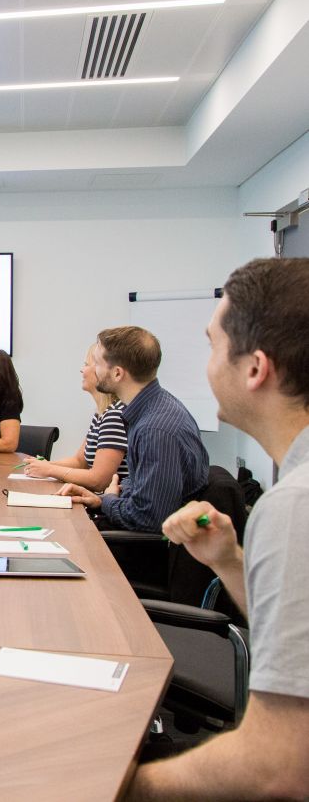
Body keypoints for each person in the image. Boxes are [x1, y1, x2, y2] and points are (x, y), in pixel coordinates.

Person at [126, 258, 309, 800]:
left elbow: (281, 767)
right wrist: (229, 561)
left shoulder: (296, 505)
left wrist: (117, 786)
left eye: (211, 346)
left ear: (254, 368)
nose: (206, 366)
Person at [58, 326, 208, 533]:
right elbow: (140, 488)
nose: (93, 370)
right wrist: (100, 500)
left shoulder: (155, 430)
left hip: (145, 550)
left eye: (98, 364)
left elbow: (149, 517)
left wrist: (108, 500)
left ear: (117, 373)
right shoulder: (154, 407)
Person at [24, 344, 129, 490]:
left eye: (86, 364)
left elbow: (99, 480)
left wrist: (49, 469)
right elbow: (80, 461)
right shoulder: (102, 413)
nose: (82, 369)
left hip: (106, 505)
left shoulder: (114, 415)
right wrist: (43, 465)